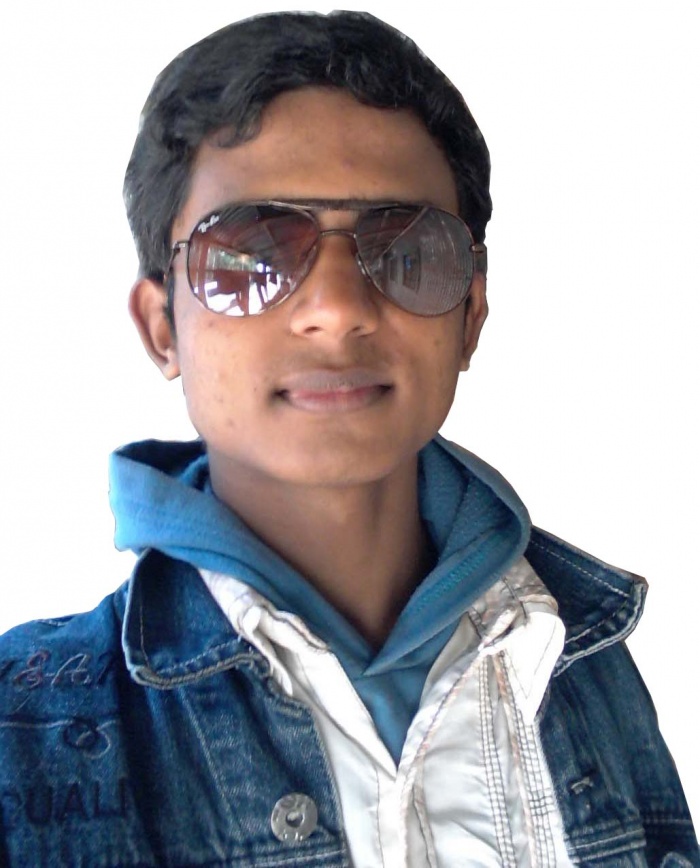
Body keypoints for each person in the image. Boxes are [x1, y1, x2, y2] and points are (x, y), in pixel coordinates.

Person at [0, 10, 697, 867]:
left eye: (405, 251)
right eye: (252, 255)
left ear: (471, 314)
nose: (337, 309)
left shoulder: (584, 661)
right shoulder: (23, 728)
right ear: (161, 328)